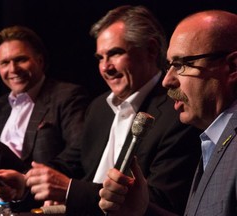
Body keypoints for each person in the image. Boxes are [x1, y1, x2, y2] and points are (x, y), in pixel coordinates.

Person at [0, 5, 202, 216]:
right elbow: (71, 165)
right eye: (100, 58)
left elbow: (160, 202)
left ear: (151, 50)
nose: (105, 67)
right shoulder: (98, 108)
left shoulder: (179, 113)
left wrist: (70, 189)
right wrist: (25, 183)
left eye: (115, 53)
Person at [99, 9, 237, 216]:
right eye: (169, 65)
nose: (167, 81)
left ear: (232, 66)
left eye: (181, 65)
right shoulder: (214, 138)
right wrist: (141, 210)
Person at [0, 25, 89, 215]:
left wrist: (33, 177)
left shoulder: (66, 96)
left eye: (20, 60)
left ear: (39, 60)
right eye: (4, 63)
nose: (13, 69)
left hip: (34, 187)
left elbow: (79, 149)